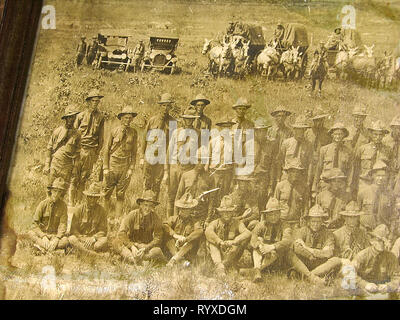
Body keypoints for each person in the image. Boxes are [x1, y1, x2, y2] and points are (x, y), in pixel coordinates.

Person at [289, 204, 341, 285]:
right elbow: (297, 247)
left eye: (318, 221)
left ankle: (308, 276)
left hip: (320, 265)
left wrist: (307, 248)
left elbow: (329, 253)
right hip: (305, 262)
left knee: (336, 260)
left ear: (322, 222)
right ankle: (313, 278)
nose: (315, 224)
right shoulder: (302, 231)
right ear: (309, 221)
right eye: (313, 221)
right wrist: (310, 255)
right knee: (291, 254)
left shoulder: (328, 234)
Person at [112, 190, 166, 265]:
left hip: (145, 247)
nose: (147, 208)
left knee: (157, 251)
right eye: (145, 205)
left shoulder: (155, 218)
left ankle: (135, 259)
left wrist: (146, 248)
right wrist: (132, 246)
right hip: (131, 245)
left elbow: (158, 237)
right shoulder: (132, 214)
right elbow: (121, 232)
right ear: (140, 204)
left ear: (153, 207)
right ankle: (133, 259)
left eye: (150, 206)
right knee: (116, 242)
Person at [71, 89, 105, 206]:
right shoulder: (80, 116)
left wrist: (96, 153)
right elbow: (73, 135)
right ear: (88, 102)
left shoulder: (101, 117)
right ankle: (71, 202)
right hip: (79, 151)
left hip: (91, 151)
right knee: (74, 177)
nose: (95, 103)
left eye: (97, 101)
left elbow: (101, 138)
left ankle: (79, 202)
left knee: (84, 178)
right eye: (93, 101)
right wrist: (74, 151)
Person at [140, 93, 177, 199]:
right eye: (163, 105)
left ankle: (152, 208)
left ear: (170, 107)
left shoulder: (173, 122)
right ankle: (143, 205)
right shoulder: (152, 120)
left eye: (168, 106)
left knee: (157, 183)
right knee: (147, 183)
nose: (165, 108)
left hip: (162, 158)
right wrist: (141, 157)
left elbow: (173, 143)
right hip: (149, 156)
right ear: (160, 106)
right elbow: (144, 139)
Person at [103, 106, 138, 218]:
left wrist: (131, 169)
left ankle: (117, 218)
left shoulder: (133, 132)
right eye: (125, 118)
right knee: (107, 193)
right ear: (121, 118)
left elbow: (134, 153)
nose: (128, 120)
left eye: (130, 118)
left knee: (120, 194)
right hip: (113, 164)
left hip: (125, 166)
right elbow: (106, 150)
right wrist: (105, 168)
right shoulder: (114, 131)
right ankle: (104, 218)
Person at [205, 195, 252, 276]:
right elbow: (208, 231)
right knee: (212, 243)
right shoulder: (215, 222)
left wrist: (234, 241)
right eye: (224, 212)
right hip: (217, 252)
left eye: (229, 212)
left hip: (231, 251)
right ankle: (219, 266)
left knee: (240, 242)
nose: (226, 214)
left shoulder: (237, 222)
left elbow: (247, 233)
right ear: (220, 213)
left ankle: (224, 265)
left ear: (233, 212)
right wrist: (220, 242)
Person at [167, 106, 199, 217]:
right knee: (172, 194)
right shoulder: (176, 132)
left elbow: (200, 152)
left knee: (185, 195)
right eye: (186, 119)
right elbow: (169, 151)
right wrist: (167, 171)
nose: (189, 121)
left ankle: (182, 219)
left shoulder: (197, 133)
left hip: (189, 168)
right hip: (175, 166)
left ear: (194, 120)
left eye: (191, 119)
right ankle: (170, 219)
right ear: (183, 119)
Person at [250, 198, 292, 282]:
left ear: (279, 214)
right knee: (258, 241)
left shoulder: (285, 225)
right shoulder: (261, 224)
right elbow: (253, 238)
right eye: (270, 214)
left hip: (277, 258)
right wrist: (260, 245)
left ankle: (256, 270)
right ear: (266, 215)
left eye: (276, 214)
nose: (273, 217)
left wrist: (272, 247)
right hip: (262, 255)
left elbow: (288, 240)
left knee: (278, 249)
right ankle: (257, 270)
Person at [43, 105, 80, 199]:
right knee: (49, 187)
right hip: (55, 163)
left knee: (63, 189)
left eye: (74, 117)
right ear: (66, 118)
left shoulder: (77, 134)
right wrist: (47, 164)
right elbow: (49, 148)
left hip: (67, 165)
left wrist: (75, 167)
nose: (72, 119)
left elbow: (77, 153)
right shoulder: (58, 131)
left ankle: (59, 210)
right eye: (70, 117)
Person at [352, 224, 400, 295]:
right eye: (379, 240)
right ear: (372, 241)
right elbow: (349, 273)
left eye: (385, 241)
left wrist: (389, 286)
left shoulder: (391, 257)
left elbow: (397, 276)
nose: (383, 244)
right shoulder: (362, 256)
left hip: (384, 292)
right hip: (363, 291)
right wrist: (365, 284)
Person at [26, 178, 69, 253]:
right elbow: (34, 224)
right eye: (55, 191)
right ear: (51, 191)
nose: (56, 194)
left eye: (59, 192)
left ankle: (41, 248)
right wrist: (43, 236)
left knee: (65, 241)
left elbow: (63, 224)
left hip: (54, 236)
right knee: (30, 233)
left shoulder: (63, 206)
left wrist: (57, 238)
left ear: (61, 193)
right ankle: (55, 251)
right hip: (42, 235)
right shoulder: (43, 204)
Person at [175, 149, 216, 225]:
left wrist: (207, 220)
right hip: (185, 214)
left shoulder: (210, 178)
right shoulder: (186, 175)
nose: (200, 163)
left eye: (203, 160)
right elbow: (178, 196)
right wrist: (176, 217)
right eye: (198, 160)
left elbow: (212, 200)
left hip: (200, 215)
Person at [312, 122, 353, 196]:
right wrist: (314, 187)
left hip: (340, 185)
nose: (338, 136)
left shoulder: (348, 152)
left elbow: (350, 171)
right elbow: (318, 168)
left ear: (344, 135)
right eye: (336, 134)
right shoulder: (324, 150)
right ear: (332, 135)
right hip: (326, 184)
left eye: (340, 134)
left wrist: (348, 186)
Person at [164, 193, 204, 267]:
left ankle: (174, 260)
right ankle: (181, 261)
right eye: (183, 209)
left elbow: (199, 231)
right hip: (173, 247)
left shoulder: (194, 221)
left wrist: (186, 239)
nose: (185, 211)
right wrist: (175, 235)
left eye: (188, 209)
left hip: (186, 249)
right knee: (168, 238)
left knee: (193, 241)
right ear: (180, 209)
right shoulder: (174, 218)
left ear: (191, 209)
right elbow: (165, 226)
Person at [352, 120, 392, 193]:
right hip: (364, 183)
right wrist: (353, 186)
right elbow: (355, 169)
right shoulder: (362, 149)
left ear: (383, 135)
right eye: (375, 134)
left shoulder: (388, 150)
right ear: (371, 134)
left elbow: (390, 170)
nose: (378, 137)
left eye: (380, 135)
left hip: (380, 184)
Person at [68, 183, 108, 256]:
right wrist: (82, 238)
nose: (92, 200)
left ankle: (80, 250)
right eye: (90, 197)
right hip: (81, 239)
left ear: (98, 198)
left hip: (94, 241)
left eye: (95, 197)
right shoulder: (79, 209)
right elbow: (73, 229)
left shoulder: (102, 211)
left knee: (104, 241)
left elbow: (103, 230)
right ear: (86, 197)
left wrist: (94, 238)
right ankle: (94, 254)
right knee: (71, 239)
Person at [357, 160, 395, 231]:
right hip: (365, 231)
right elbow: (357, 214)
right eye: (378, 175)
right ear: (373, 176)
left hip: (382, 232)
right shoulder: (363, 192)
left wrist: (391, 234)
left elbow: (393, 216)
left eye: (383, 175)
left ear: (387, 177)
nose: (380, 178)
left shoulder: (390, 195)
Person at [207, 117, 235, 204]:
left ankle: (222, 212)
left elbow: (235, 158)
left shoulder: (233, 142)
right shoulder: (213, 141)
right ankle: (210, 214)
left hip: (227, 171)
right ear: (220, 129)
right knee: (213, 193)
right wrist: (207, 167)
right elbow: (208, 156)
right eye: (224, 128)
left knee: (225, 192)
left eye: (228, 127)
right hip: (215, 171)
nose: (226, 130)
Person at [279, 115, 313, 186]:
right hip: (287, 175)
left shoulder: (308, 145)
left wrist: (308, 180)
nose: (300, 132)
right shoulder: (286, 143)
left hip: (301, 176)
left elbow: (310, 163)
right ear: (294, 129)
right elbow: (280, 160)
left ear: (305, 130)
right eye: (298, 129)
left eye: (302, 129)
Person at [274, 162, 309, 229]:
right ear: (288, 172)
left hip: (296, 222)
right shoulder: (280, 186)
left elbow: (306, 206)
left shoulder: (304, 187)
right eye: (293, 171)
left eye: (297, 172)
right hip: (281, 221)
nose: (295, 174)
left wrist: (304, 219)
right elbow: (275, 204)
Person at [268, 105, 293, 194]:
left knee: (281, 182)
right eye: (278, 116)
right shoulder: (270, 130)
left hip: (282, 161)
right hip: (270, 160)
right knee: (269, 184)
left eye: (283, 116)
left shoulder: (289, 131)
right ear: (275, 117)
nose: (281, 118)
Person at [253, 118, 274, 212]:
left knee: (262, 200)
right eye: (259, 131)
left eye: (263, 131)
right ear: (255, 132)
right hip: (251, 177)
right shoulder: (249, 144)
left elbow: (273, 166)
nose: (261, 134)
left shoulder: (270, 145)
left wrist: (271, 183)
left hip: (264, 177)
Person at [383, 115, 400, 194]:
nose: (399, 131)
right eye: (397, 128)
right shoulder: (385, 141)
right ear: (392, 128)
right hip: (386, 170)